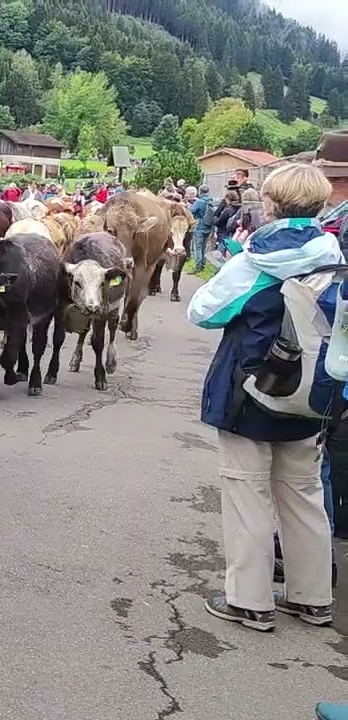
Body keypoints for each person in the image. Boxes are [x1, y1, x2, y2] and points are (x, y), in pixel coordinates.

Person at [187, 163, 341, 632]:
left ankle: (250, 602)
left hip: (251, 390)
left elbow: (203, 312)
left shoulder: (256, 260)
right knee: (305, 494)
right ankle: (313, 599)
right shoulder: (334, 254)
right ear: (321, 204)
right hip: (314, 394)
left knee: (247, 491)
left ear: (271, 203)